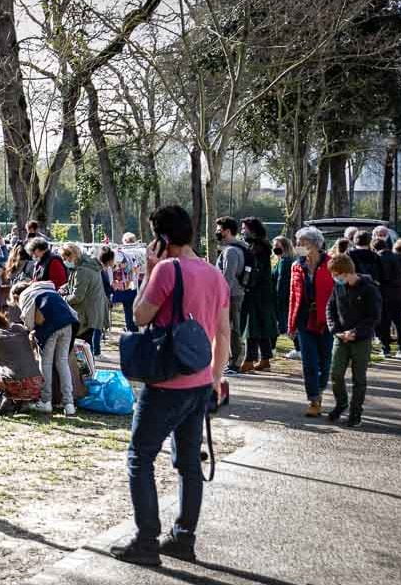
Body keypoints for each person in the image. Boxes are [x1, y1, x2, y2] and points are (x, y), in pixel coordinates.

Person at [111, 205, 229, 566]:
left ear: (162, 238)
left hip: (166, 382)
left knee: (139, 456)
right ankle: (183, 537)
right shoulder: (214, 273)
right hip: (200, 382)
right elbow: (224, 334)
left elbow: (139, 315)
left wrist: (149, 270)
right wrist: (215, 379)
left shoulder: (166, 269)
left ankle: (146, 540)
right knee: (189, 462)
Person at [325, 254, 380, 428]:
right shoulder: (338, 288)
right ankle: (341, 403)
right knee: (336, 373)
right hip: (341, 337)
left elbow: (374, 316)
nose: (335, 278)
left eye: (336, 275)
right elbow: (330, 308)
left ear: (346, 272)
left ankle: (356, 412)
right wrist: (336, 330)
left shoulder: (369, 289)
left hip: (361, 339)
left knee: (359, 378)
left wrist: (356, 332)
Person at [12, 278, 78, 416]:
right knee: (62, 362)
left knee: (45, 363)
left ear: (16, 296)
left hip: (50, 327)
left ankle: (46, 401)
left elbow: (29, 323)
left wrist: (29, 333)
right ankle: (69, 403)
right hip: (68, 324)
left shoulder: (26, 295)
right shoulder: (47, 289)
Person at [288, 226, 335, 417]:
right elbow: (293, 295)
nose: (298, 246)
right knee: (309, 362)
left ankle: (320, 389)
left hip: (327, 320)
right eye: (298, 243)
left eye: (303, 243)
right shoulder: (296, 266)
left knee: (325, 362)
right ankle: (314, 399)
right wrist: (291, 324)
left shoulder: (331, 263)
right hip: (304, 320)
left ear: (315, 244)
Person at [0, 310, 44, 414]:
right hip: (35, 384)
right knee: (9, 370)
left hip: (15, 385)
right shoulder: (20, 328)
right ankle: (22, 402)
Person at [239, 218, 278, 373]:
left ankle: (249, 359)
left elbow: (254, 271)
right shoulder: (260, 246)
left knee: (252, 327)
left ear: (252, 230)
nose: (242, 231)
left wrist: (246, 284)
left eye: (244, 228)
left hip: (256, 293)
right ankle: (265, 358)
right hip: (262, 292)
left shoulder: (257, 247)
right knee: (260, 326)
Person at [61, 244, 111, 357]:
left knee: (82, 350)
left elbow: (77, 296)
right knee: (86, 348)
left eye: (65, 258)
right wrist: (66, 287)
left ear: (71, 256)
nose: (64, 261)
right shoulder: (89, 266)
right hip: (93, 312)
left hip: (85, 315)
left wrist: (62, 299)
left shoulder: (82, 270)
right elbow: (81, 285)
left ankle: (85, 373)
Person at [213, 216, 248, 375]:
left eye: (219, 230)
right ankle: (230, 360)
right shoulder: (234, 248)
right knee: (230, 328)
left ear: (227, 231)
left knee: (233, 329)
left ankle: (235, 363)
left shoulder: (231, 251)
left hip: (231, 295)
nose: (217, 233)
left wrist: (220, 296)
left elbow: (227, 277)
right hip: (233, 293)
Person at [374, 237, 401, 358]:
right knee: (399, 323)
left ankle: (386, 349)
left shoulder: (377, 258)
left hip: (384, 295)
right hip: (399, 294)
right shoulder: (399, 257)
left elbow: (378, 278)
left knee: (385, 323)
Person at [272, 236, 300, 361]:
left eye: (278, 246)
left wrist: (278, 300)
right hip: (286, 298)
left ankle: (270, 349)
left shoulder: (285, 261)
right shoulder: (285, 260)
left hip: (283, 299)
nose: (275, 248)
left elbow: (281, 282)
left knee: (283, 326)